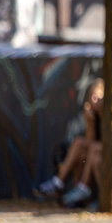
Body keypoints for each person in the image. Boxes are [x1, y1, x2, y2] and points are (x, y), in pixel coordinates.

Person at [34, 78, 104, 207]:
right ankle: (61, 184)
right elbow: (91, 140)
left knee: (91, 150)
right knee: (80, 147)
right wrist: (90, 122)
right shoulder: (93, 115)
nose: (94, 100)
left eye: (98, 97)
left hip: (104, 151)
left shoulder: (109, 114)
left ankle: (80, 187)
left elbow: (99, 144)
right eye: (92, 97)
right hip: (96, 151)